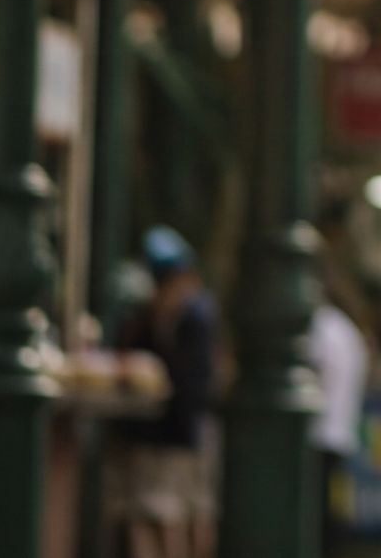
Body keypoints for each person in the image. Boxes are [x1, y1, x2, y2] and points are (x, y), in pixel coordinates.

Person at [118, 226, 219, 558]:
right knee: (153, 514)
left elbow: (191, 382)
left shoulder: (196, 317)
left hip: (184, 433)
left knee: (183, 515)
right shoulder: (148, 317)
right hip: (159, 433)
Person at [308, 267, 371, 546]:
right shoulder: (349, 330)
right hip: (343, 433)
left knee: (321, 517)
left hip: (321, 434)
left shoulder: (321, 327)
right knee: (335, 512)